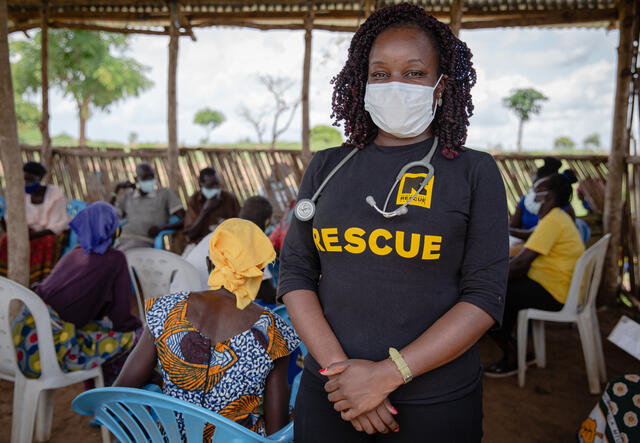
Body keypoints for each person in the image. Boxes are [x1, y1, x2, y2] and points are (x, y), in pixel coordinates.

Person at [278, 4, 508, 441]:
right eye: (380, 74)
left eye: (415, 73)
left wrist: (387, 376)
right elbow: (296, 273)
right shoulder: (327, 166)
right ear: (361, 82)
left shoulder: (474, 173)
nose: (395, 85)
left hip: (434, 404)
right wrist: (344, 378)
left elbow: (483, 296)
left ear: (441, 86)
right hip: (331, 395)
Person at [114, 218, 300, 438]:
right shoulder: (273, 332)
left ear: (210, 263)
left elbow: (121, 390)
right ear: (259, 270)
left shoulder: (166, 310)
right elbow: (275, 429)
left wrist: (163, 380)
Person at [11, 202, 142, 385]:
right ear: (111, 230)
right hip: (51, 350)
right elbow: (122, 319)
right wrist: (140, 326)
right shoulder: (116, 259)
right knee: (138, 339)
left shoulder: (74, 253)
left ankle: (96, 393)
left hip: (22, 342)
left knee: (101, 331)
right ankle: (113, 399)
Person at [486, 172, 585, 376]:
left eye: (536, 191)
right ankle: (516, 348)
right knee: (504, 290)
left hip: (555, 293)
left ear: (547, 197)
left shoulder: (553, 221)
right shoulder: (555, 218)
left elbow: (521, 263)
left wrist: (484, 276)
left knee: (491, 298)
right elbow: (521, 260)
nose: (530, 194)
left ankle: (512, 356)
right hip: (556, 286)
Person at [170, 196, 277, 305]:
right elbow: (267, 293)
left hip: (176, 300)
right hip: (198, 308)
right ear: (267, 222)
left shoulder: (220, 232)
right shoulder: (251, 241)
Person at [0, 161, 70, 287]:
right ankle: (7, 278)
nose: (26, 183)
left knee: (48, 242)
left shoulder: (55, 194)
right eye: (24, 179)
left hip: (48, 233)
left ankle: (39, 281)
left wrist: (29, 237)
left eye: (30, 179)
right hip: (27, 231)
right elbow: (10, 219)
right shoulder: (20, 194)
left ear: (40, 178)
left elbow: (56, 226)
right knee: (6, 240)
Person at [111, 162, 185, 251]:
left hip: (144, 241)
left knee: (117, 258)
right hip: (121, 240)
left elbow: (184, 219)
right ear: (136, 179)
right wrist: (117, 188)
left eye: (151, 176)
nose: (149, 180)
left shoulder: (164, 194)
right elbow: (109, 215)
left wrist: (162, 228)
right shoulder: (128, 196)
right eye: (145, 177)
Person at [510, 157, 576, 240]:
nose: (533, 192)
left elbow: (533, 234)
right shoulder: (526, 201)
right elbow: (513, 227)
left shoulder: (556, 215)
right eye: (534, 188)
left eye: (537, 189)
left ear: (549, 193)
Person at [184, 167, 240, 245]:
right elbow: (190, 234)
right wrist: (204, 211)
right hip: (202, 243)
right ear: (201, 184)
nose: (215, 188)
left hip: (228, 241)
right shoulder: (194, 201)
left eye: (217, 184)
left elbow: (241, 223)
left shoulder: (229, 198)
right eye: (211, 185)